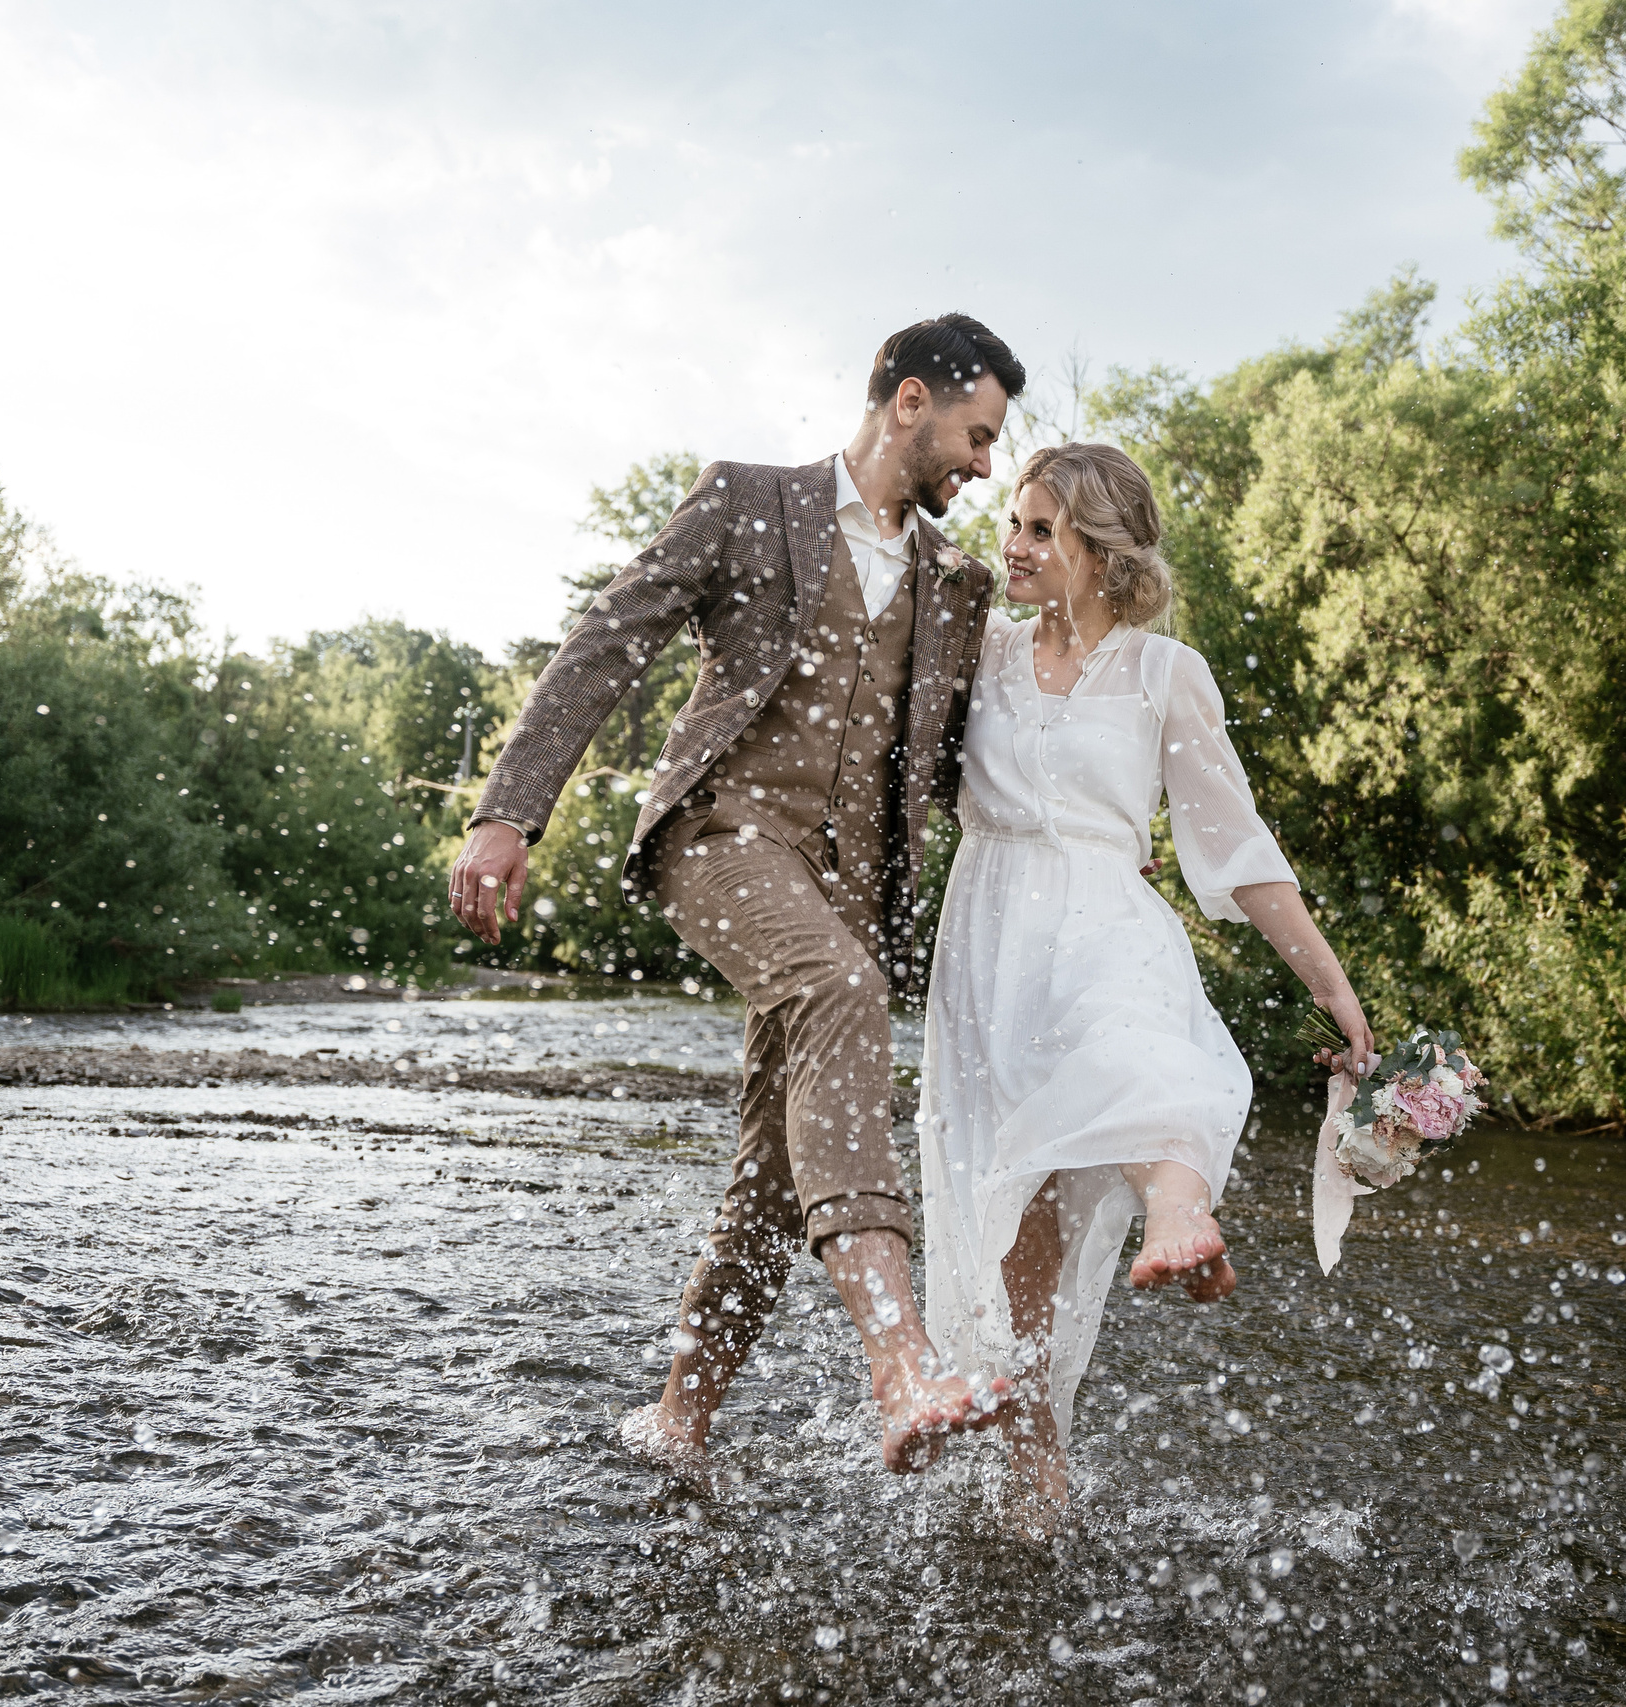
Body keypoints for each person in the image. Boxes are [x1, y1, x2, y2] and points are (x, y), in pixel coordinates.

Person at [450, 314, 1027, 1474]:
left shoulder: (956, 588)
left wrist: (1095, 838)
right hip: (719, 839)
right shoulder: (747, 502)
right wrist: (507, 812)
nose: (982, 464)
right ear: (908, 401)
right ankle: (897, 1358)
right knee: (834, 987)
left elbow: (969, 758)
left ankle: (676, 1418)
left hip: (849, 893)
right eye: (975, 433)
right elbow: (604, 647)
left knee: (773, 1182)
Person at [914, 442, 1374, 1532]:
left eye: (1040, 531)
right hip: (983, 947)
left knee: (1130, 1047)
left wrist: (1337, 995)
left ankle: (1180, 1210)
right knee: (1016, 1232)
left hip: (1103, 911)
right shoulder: (977, 650)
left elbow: (1239, 850)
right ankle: (1037, 1485)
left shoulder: (1166, 673)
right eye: (1014, 524)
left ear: (1102, 553)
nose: (1014, 547)